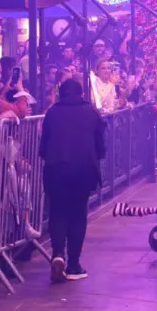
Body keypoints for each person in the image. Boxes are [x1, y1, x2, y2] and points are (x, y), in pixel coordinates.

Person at [40, 79, 106, 283]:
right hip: (83, 171)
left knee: (57, 212)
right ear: (81, 93)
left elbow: (43, 147)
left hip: (55, 170)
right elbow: (101, 148)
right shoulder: (92, 113)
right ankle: (74, 264)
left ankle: (57, 253)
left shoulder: (52, 113)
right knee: (78, 214)